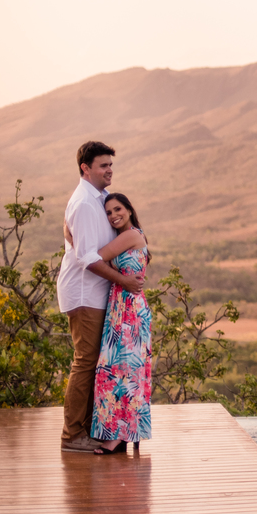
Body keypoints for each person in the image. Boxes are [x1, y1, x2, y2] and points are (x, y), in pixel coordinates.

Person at [57, 142, 145, 453]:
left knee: (100, 364)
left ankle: (100, 430)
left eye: (111, 165)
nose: (109, 170)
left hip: (102, 295)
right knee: (85, 362)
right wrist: (124, 280)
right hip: (84, 293)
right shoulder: (83, 202)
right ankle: (72, 436)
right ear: (86, 168)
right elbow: (86, 258)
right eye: (103, 165)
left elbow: (79, 235)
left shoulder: (101, 199)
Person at [90, 192, 152, 455]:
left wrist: (70, 236)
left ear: (128, 209)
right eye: (108, 213)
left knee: (127, 372)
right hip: (119, 307)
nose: (114, 215)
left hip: (131, 310)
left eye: (118, 209)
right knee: (115, 371)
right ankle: (121, 432)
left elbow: (94, 257)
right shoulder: (122, 237)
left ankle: (121, 435)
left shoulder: (131, 235)